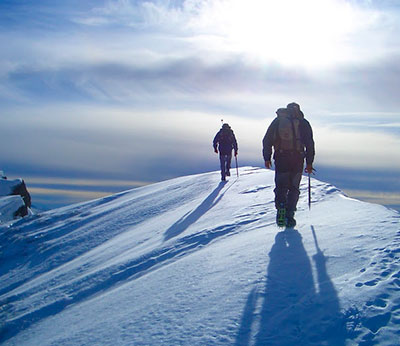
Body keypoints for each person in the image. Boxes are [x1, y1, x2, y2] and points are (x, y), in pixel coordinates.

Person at [262, 103, 315, 227]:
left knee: (281, 186)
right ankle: (290, 214)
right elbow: (310, 144)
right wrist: (309, 163)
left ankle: (281, 208)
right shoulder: (303, 123)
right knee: (294, 187)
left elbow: (267, 140)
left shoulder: (278, 121)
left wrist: (267, 157)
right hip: (298, 159)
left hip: (281, 158)